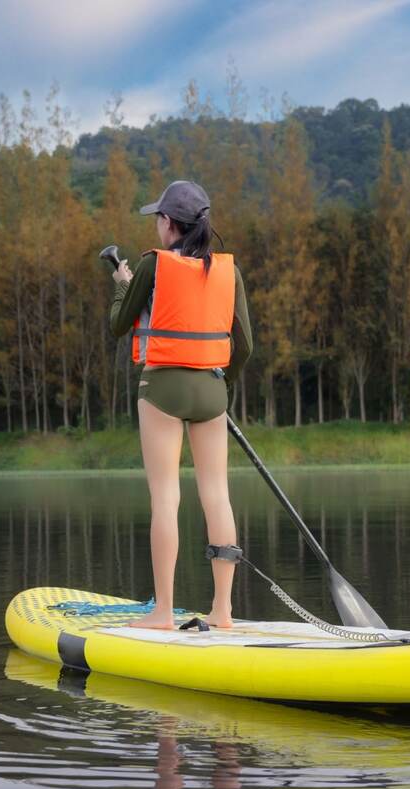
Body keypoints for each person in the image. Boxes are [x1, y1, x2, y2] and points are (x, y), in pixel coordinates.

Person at [109, 180, 253, 629]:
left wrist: (121, 285)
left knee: (166, 498)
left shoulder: (153, 266)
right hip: (212, 392)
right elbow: (244, 345)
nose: (156, 225)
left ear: (169, 223)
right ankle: (224, 611)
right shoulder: (230, 271)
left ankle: (163, 612)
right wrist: (220, 385)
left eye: (158, 218)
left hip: (164, 391)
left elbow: (120, 325)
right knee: (217, 496)